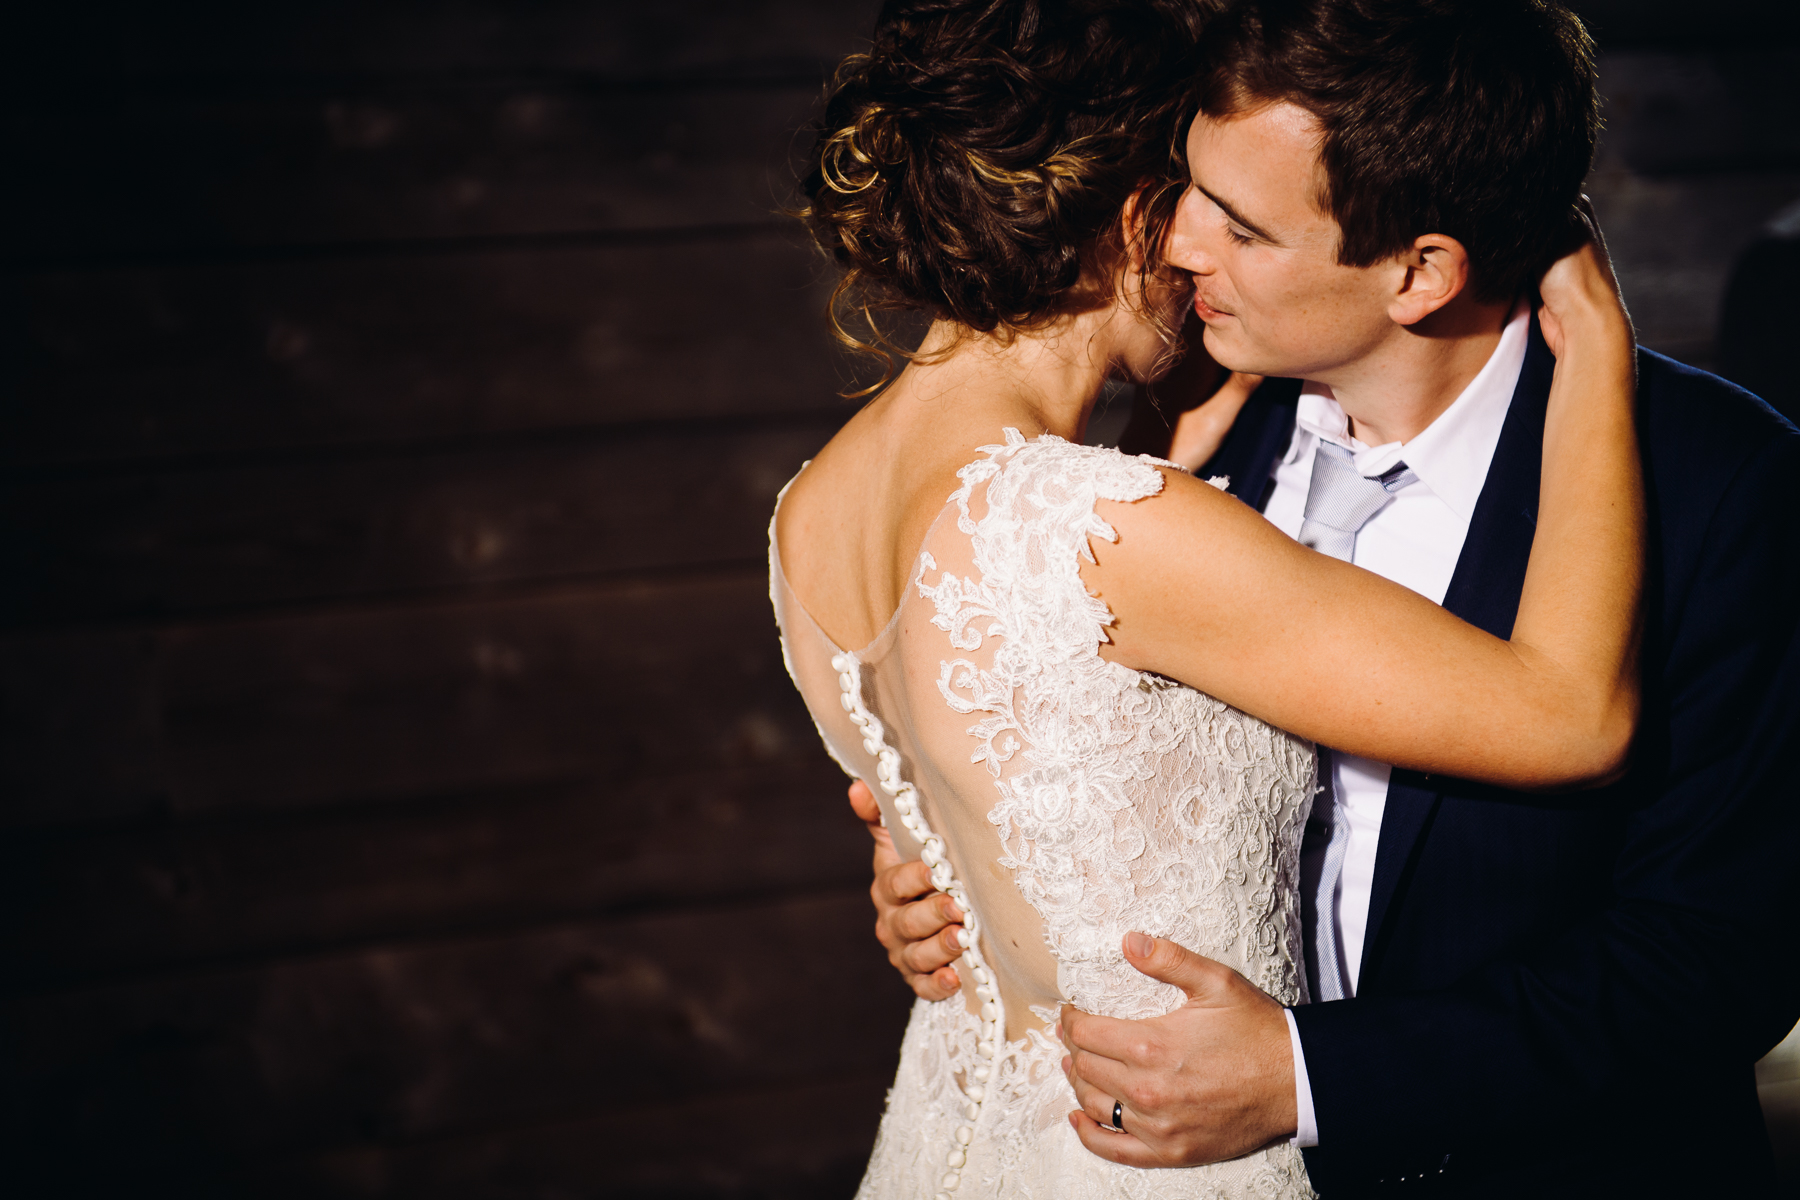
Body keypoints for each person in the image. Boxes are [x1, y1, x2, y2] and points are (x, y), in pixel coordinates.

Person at [865, 0, 1800, 1195]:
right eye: (1185, 183)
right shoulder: (1178, 447)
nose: (1178, 243)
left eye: (1243, 225)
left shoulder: (1722, 485)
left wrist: (1314, 1076)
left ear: (1419, 271)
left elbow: (1718, 959)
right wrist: (961, 882)